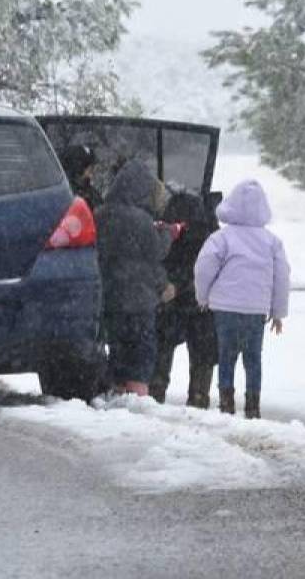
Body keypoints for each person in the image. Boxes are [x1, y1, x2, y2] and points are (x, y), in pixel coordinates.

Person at [194, 180, 291, 419]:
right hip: (255, 310)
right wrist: (278, 313)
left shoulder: (222, 238)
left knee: (226, 356)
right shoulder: (272, 242)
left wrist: (203, 296)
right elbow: (282, 277)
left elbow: (204, 267)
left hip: (224, 308)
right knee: (253, 359)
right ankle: (252, 406)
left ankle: (226, 403)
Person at [95, 160, 174, 396]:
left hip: (110, 295)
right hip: (139, 298)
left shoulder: (99, 215)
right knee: (142, 350)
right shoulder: (140, 220)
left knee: (118, 348)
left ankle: (117, 391)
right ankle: (138, 394)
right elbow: (156, 253)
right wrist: (167, 233)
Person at [149, 191, 220, 408]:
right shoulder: (211, 238)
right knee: (202, 355)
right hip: (202, 305)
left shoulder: (168, 234)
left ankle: (155, 394)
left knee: (163, 347)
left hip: (173, 303)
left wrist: (172, 286)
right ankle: (199, 398)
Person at [58, 138, 103, 211]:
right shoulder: (68, 195)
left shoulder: (90, 192)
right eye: (90, 170)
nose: (92, 174)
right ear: (79, 169)